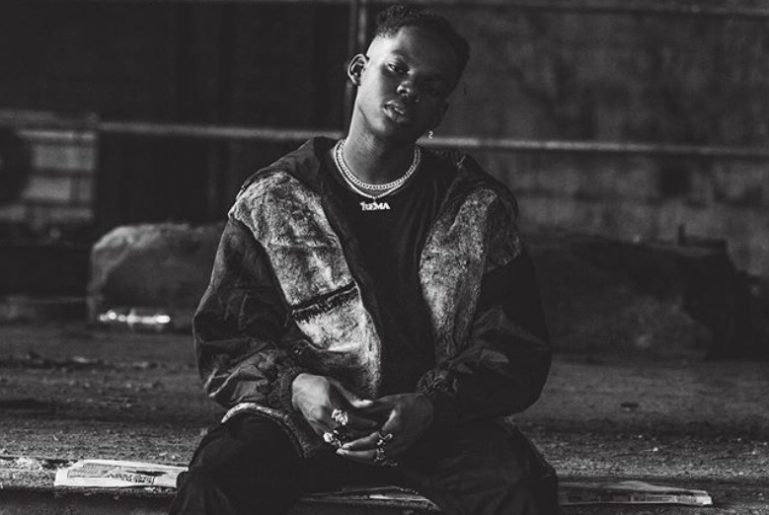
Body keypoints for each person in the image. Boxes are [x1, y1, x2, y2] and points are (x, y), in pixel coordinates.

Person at [169, 5, 558, 515]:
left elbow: (513, 346)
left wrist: (433, 405)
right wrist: (296, 387)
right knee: (215, 482)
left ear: (439, 113)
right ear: (359, 69)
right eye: (396, 68)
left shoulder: (475, 207)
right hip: (298, 425)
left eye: (431, 86)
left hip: (437, 425)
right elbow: (226, 337)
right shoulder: (275, 199)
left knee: (518, 490)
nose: (409, 89)